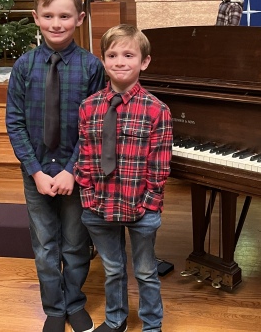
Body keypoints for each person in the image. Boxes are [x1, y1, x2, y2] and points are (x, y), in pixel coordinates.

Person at [6, 0, 105, 332]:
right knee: (45, 244)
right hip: (36, 174)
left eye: (65, 15)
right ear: (36, 17)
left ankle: (74, 302)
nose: (56, 23)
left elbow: (95, 126)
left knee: (76, 242)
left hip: (74, 174)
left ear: (79, 18)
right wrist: (35, 171)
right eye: (48, 15)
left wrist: (71, 171)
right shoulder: (23, 67)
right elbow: (14, 122)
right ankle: (54, 308)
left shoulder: (92, 67)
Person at [74, 24, 173, 332]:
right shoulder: (88, 107)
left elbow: (160, 165)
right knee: (113, 268)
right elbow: (86, 156)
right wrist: (88, 197)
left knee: (145, 271)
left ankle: (152, 325)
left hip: (139, 206)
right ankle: (116, 320)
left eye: (128, 54)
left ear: (144, 61)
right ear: (103, 60)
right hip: (99, 205)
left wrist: (149, 203)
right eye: (112, 54)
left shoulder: (157, 110)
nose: (119, 61)